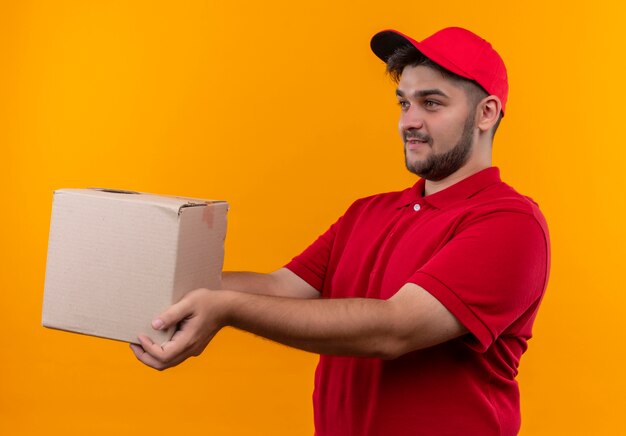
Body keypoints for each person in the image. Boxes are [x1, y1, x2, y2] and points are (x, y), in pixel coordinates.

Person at [131, 27, 550, 436]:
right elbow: (279, 287)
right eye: (404, 103)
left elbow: (394, 328)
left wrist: (224, 309)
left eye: (432, 103)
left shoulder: (510, 222)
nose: (410, 122)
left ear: (486, 113)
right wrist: (161, 289)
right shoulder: (369, 212)